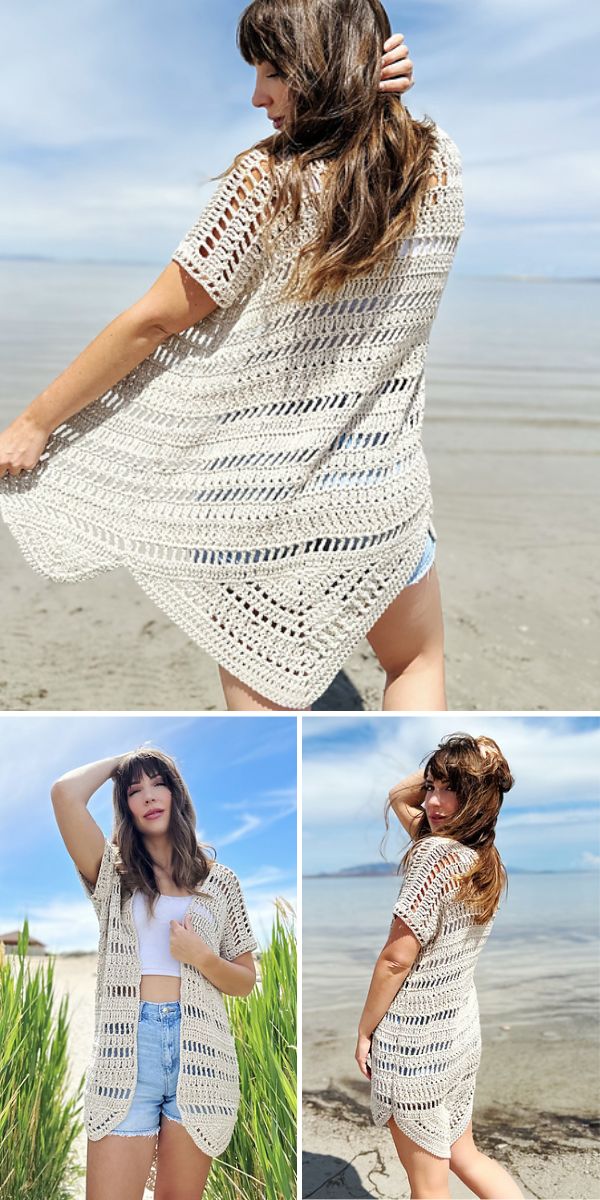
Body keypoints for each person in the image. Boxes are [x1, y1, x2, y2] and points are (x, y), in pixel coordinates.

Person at [0, 1, 460, 714]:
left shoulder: (266, 181)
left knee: (268, 712)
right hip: (382, 497)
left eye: (275, 73)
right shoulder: (438, 168)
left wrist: (34, 423)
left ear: (326, 63)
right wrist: (377, 100)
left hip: (260, 514)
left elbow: (153, 322)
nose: (257, 98)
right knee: (413, 664)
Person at [51, 748, 259, 1200]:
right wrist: (130, 758)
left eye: (158, 782)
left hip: (200, 1053)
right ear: (125, 806)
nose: (148, 796)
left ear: (176, 792)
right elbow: (64, 794)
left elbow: (245, 981)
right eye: (134, 790)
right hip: (127, 1050)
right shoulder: (113, 874)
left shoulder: (220, 881)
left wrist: (202, 957)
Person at [355, 734, 524, 1200]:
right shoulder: (482, 862)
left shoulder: (434, 856)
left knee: (428, 1188)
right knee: (466, 1156)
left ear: (477, 795)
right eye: (430, 786)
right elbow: (398, 797)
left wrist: (366, 1031)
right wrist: (480, 757)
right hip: (460, 1035)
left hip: (417, 1046)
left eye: (451, 788)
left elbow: (395, 958)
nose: (431, 801)